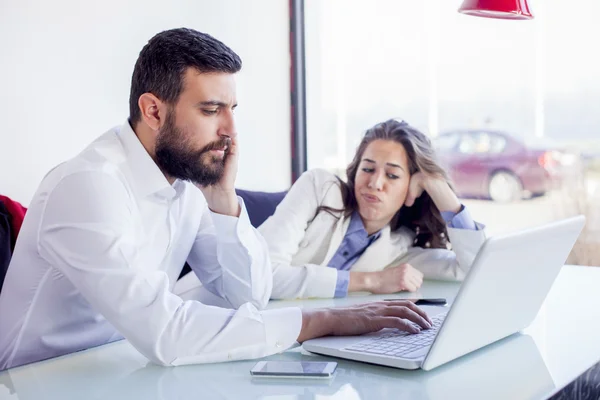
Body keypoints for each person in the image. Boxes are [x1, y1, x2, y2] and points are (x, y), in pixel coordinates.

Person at [0, 28, 432, 370]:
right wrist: (319, 321)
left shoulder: (187, 185)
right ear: (153, 111)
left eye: (232, 109)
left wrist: (223, 198)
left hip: (122, 368)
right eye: (211, 110)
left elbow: (249, 296)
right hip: (38, 381)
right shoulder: (90, 185)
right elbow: (164, 330)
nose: (230, 131)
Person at [259, 119, 486, 299]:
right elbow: (262, 278)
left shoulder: (398, 249)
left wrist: (437, 186)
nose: (375, 183)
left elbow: (476, 269)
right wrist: (372, 281)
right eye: (367, 169)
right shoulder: (319, 187)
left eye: (392, 175)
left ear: (411, 190)